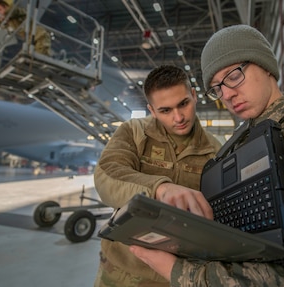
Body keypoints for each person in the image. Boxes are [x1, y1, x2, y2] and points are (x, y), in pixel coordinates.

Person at [129, 24, 284, 287]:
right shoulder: (242, 141)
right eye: (216, 87)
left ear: (266, 66)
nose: (226, 93)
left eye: (234, 76)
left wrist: (178, 271)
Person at [93, 65, 222, 286]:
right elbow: (107, 174)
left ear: (193, 96)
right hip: (121, 272)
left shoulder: (215, 150)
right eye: (165, 110)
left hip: (177, 277)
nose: (179, 117)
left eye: (183, 104)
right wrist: (159, 188)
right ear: (152, 110)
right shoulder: (133, 132)